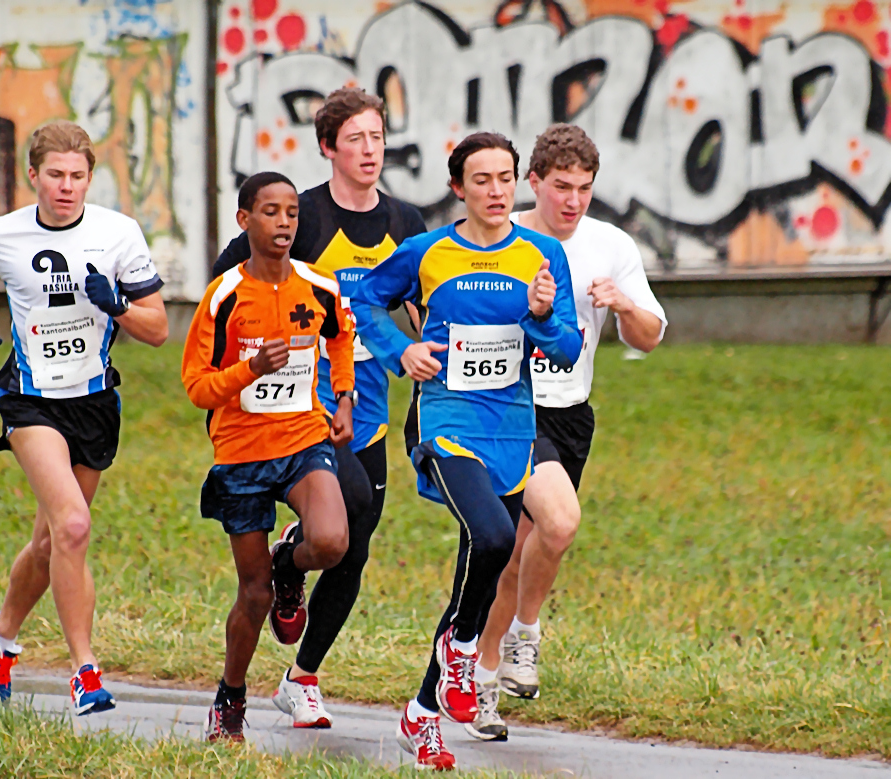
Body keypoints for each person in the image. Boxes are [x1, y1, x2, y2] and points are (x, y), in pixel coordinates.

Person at [352, 132, 583, 770]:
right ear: (459, 188)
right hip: (447, 421)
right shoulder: (425, 252)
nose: (496, 191)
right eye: (481, 180)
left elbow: (565, 349)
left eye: (505, 178)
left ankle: (421, 715)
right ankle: (462, 649)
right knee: (495, 539)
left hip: (513, 427)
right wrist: (401, 349)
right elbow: (362, 299)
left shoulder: (542, 254)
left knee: (474, 569)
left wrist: (540, 316)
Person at [214, 87, 426, 727]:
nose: (370, 150)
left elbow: (420, 301)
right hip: (303, 408)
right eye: (356, 139)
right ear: (329, 147)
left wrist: (424, 351)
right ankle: (290, 556)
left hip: (369, 404)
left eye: (378, 137)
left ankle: (302, 676)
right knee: (351, 501)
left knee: (355, 550)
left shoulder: (405, 223)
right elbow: (228, 287)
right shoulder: (297, 215)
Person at [0, 120, 168, 715]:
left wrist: (116, 305)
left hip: (94, 403)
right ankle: (86, 672)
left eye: (77, 176)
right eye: (55, 175)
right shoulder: (3, 233)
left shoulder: (118, 234)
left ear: (91, 178)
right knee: (72, 525)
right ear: (33, 176)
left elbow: (158, 329)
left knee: (50, 542)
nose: (67, 187)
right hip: (29, 399)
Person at [466, 124, 667, 741]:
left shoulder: (610, 245)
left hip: (572, 414)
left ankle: (481, 675)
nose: (573, 201)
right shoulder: (506, 237)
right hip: (508, 410)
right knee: (554, 523)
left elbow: (650, 335)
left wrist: (624, 306)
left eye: (584, 188)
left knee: (521, 548)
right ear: (534, 183)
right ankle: (523, 636)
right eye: (561, 187)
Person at [182, 171, 357, 743]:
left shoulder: (318, 286)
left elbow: (340, 337)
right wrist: (249, 370)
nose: (284, 223)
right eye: (270, 213)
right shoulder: (224, 297)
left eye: (291, 214)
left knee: (331, 542)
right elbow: (198, 389)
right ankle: (230, 698)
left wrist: (345, 399)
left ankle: (292, 563)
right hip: (241, 455)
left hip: (304, 440)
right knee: (254, 595)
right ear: (245, 221)